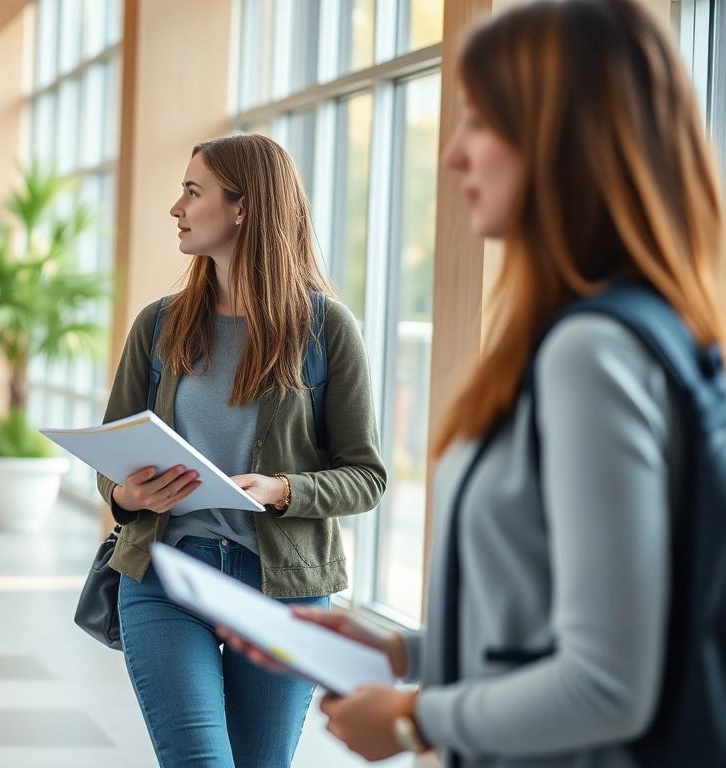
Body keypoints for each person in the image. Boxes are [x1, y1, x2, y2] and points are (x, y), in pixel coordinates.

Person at [222, 1, 726, 765]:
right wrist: (402, 653)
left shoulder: (590, 354)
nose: (454, 154)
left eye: (482, 124)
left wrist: (415, 722)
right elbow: (564, 625)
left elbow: (609, 684)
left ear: (566, 143)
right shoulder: (645, 329)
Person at [96, 133, 386, 767]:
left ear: (243, 207)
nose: (176, 207)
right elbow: (112, 461)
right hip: (169, 572)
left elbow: (366, 477)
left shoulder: (326, 330)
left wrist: (281, 490)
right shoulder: (160, 324)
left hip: (283, 589)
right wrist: (125, 493)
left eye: (192, 192)